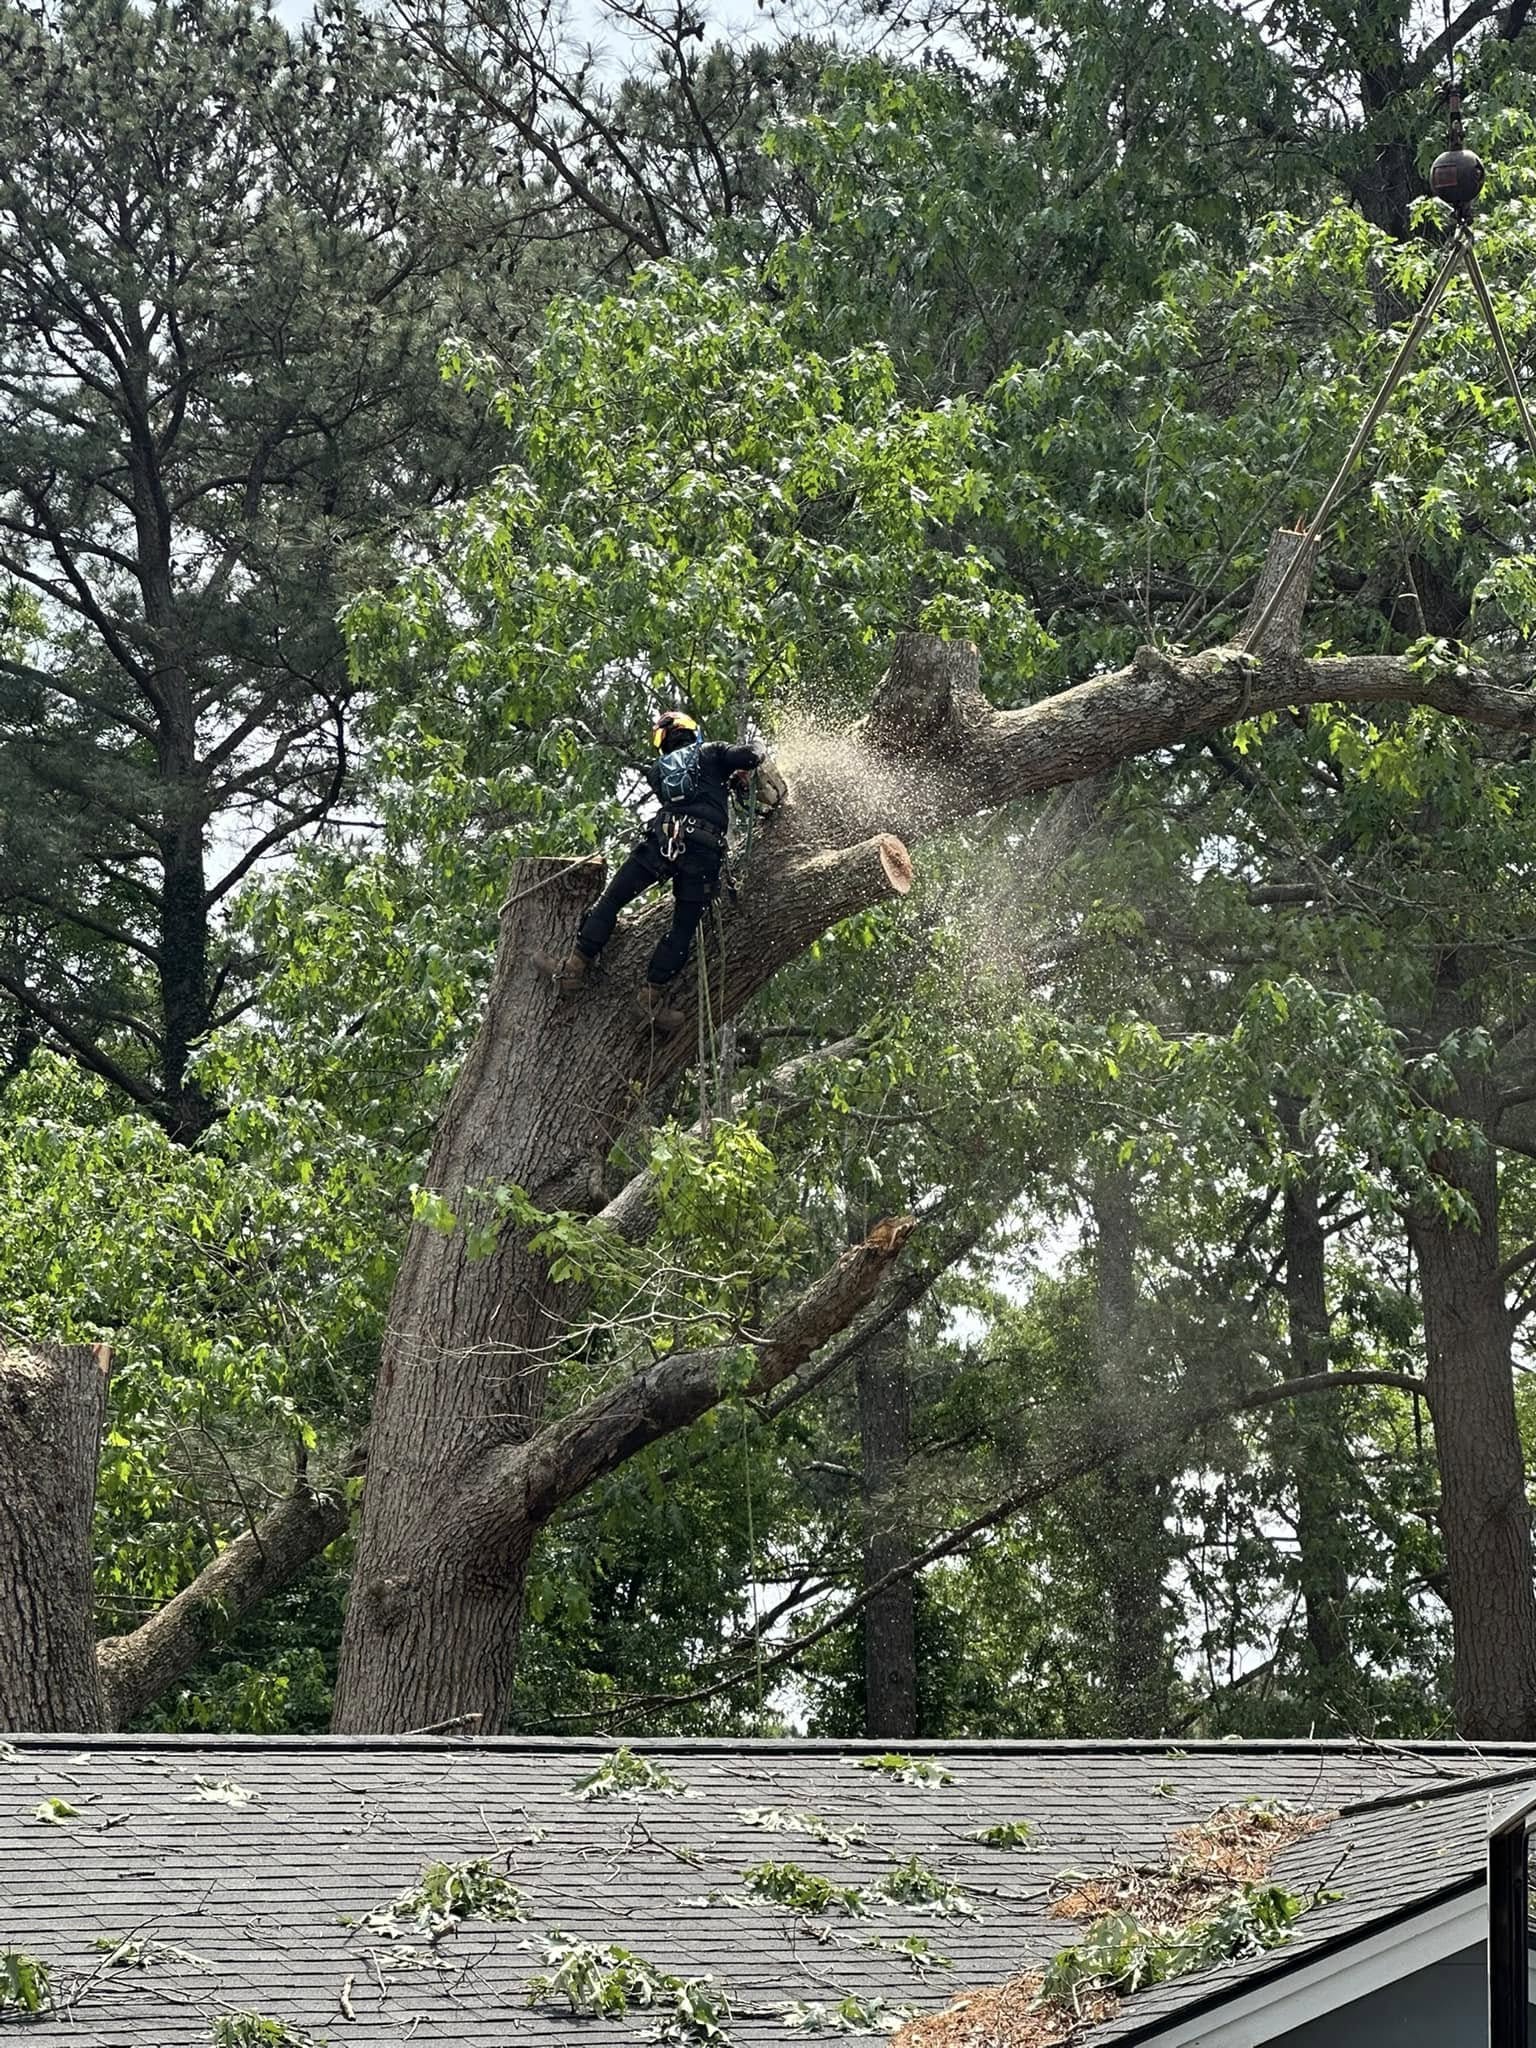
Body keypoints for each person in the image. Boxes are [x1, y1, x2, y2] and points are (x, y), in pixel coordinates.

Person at [534, 709, 768, 1031]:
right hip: (703, 853)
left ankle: (573, 968)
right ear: (691, 732)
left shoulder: (658, 772)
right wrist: (752, 755)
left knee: (612, 900)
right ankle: (648, 999)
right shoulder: (713, 752)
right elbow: (750, 756)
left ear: (663, 742)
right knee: (682, 928)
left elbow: (691, 793)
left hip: (663, 842)